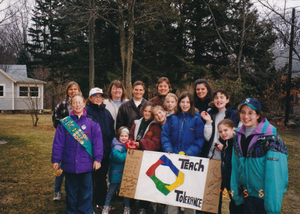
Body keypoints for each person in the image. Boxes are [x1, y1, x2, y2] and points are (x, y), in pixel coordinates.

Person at [231, 98, 288, 214]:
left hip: (262, 200)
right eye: (243, 112)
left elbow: (276, 177)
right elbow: (235, 167)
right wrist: (236, 195)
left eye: (250, 112)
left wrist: (272, 208)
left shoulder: (271, 139)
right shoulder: (237, 136)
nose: (246, 116)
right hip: (245, 197)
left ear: (257, 115)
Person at [52, 93, 103, 214]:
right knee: (71, 191)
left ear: (84, 104)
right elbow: (58, 143)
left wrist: (97, 159)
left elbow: (98, 143)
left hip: (86, 164)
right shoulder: (64, 124)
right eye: (75, 103)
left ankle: (86, 211)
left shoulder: (92, 122)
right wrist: (56, 159)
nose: (77, 105)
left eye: (80, 102)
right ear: (71, 106)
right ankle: (72, 211)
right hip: (69, 163)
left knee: (86, 191)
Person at [161, 91, 205, 214]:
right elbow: (165, 135)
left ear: (191, 104)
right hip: (174, 158)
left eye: (187, 102)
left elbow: (200, 138)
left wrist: (191, 152)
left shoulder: (197, 119)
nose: (185, 105)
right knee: (173, 187)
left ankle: (190, 211)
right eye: (182, 102)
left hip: (189, 160)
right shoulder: (172, 118)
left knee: (189, 190)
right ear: (178, 103)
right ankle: (172, 211)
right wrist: (168, 149)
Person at [85, 87, 115, 210]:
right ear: (90, 98)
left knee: (102, 178)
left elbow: (111, 131)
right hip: (89, 152)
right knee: (90, 179)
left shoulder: (106, 112)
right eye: (95, 96)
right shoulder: (86, 111)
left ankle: (101, 202)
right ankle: (89, 202)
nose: (98, 99)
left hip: (105, 152)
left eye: (100, 96)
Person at [129, 102, 162, 214]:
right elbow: (131, 135)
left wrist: (141, 143)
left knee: (146, 181)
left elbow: (156, 143)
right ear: (142, 111)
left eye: (149, 111)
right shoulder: (137, 123)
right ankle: (130, 204)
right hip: (136, 155)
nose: (147, 113)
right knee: (134, 179)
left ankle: (144, 205)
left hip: (149, 157)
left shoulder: (155, 125)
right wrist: (130, 143)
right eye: (145, 111)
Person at [51, 81, 81, 201]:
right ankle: (57, 191)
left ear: (79, 91)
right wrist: (63, 127)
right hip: (65, 139)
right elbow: (55, 118)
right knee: (61, 167)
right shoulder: (62, 104)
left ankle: (74, 191)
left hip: (79, 140)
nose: (73, 91)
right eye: (70, 89)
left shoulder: (82, 104)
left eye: (75, 89)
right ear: (67, 91)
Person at [200, 89, 239, 160]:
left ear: (227, 100)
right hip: (211, 156)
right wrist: (208, 121)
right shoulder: (211, 114)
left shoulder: (235, 115)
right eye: (216, 98)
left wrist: (225, 145)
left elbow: (238, 136)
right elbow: (208, 137)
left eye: (221, 97)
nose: (219, 100)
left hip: (228, 157)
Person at [215, 119, 244, 214]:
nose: (223, 133)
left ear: (234, 129)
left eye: (226, 130)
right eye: (220, 131)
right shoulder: (226, 144)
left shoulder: (237, 145)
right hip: (229, 183)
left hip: (237, 185)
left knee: (237, 208)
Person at [102, 127, 131, 214]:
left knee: (126, 192)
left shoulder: (127, 146)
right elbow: (118, 158)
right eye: (122, 136)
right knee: (111, 191)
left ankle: (127, 207)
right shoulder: (116, 147)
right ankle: (106, 206)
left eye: (126, 136)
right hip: (116, 173)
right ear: (118, 136)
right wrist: (130, 154)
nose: (124, 138)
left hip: (125, 173)